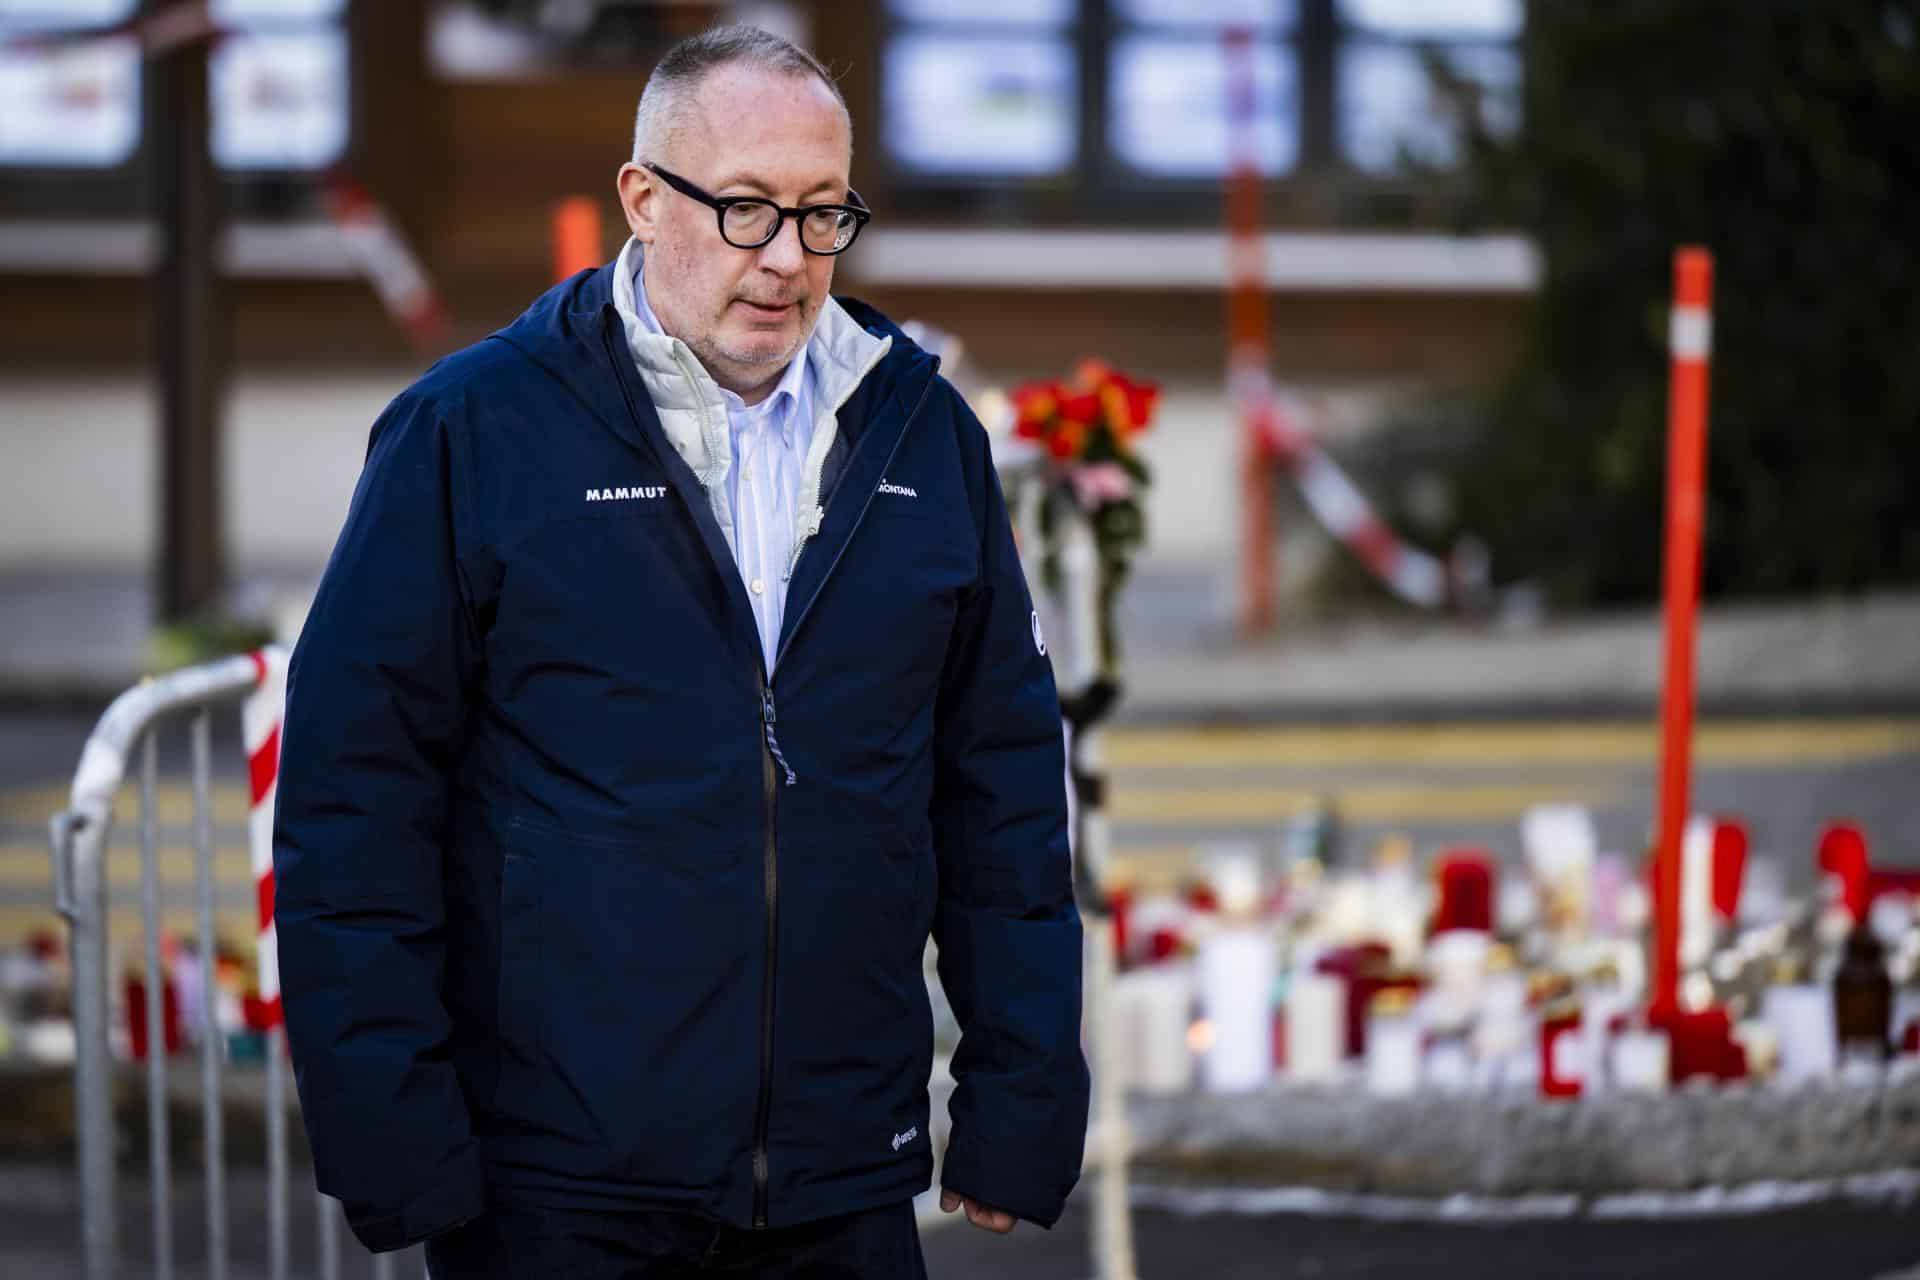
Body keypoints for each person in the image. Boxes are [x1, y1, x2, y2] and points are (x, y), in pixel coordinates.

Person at [272, 22, 1089, 1278]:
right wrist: (392, 1136)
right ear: (644, 201)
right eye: (747, 209)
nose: (786, 258)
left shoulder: (922, 432)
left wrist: (1021, 1099)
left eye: (824, 214)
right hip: (557, 1190)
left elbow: (1003, 790)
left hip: (843, 1175)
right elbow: (353, 803)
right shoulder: (470, 433)